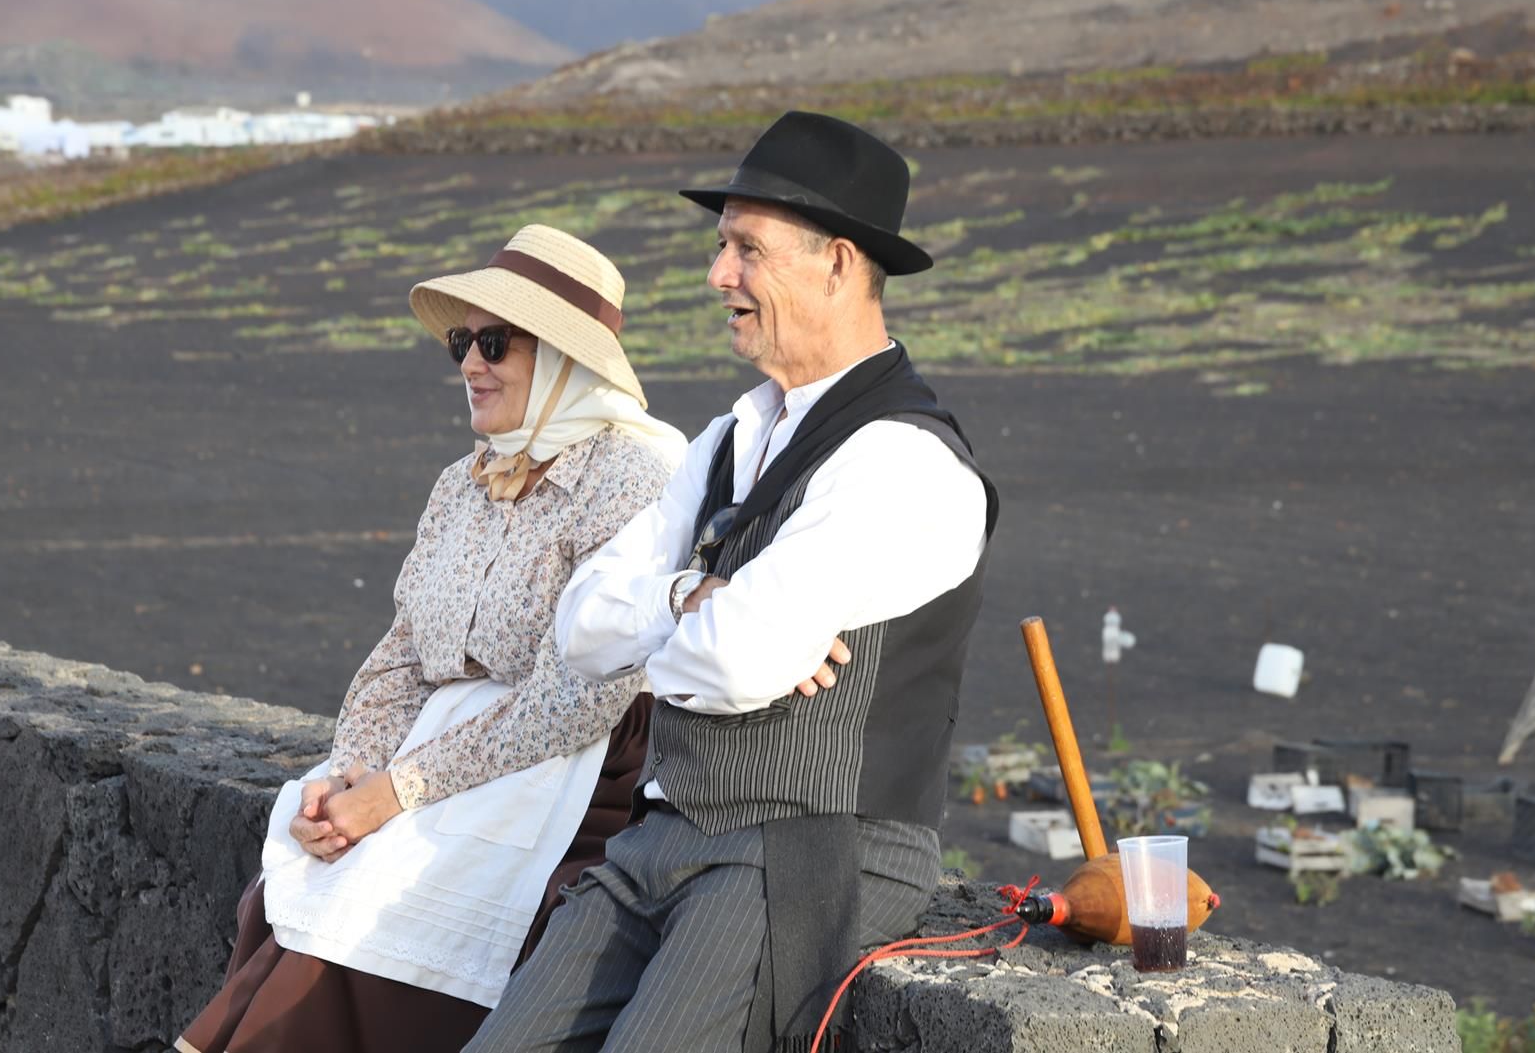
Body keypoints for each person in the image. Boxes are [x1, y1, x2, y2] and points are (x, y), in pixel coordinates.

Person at [465, 112, 999, 1053]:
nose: (719, 276)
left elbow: (739, 658)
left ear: (836, 262)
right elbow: (581, 627)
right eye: (723, 248)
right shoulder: (727, 439)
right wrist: (687, 602)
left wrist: (707, 628)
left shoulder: (901, 461)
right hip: (657, 837)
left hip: (807, 852)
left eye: (746, 249)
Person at [176, 224, 687, 1053]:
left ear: (564, 359)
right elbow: (403, 653)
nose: (470, 364)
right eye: (462, 342)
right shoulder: (465, 480)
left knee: (379, 902)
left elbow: (577, 700)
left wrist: (395, 791)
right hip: (450, 751)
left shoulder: (636, 475)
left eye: (494, 342)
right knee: (313, 869)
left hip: (575, 766)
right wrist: (350, 771)